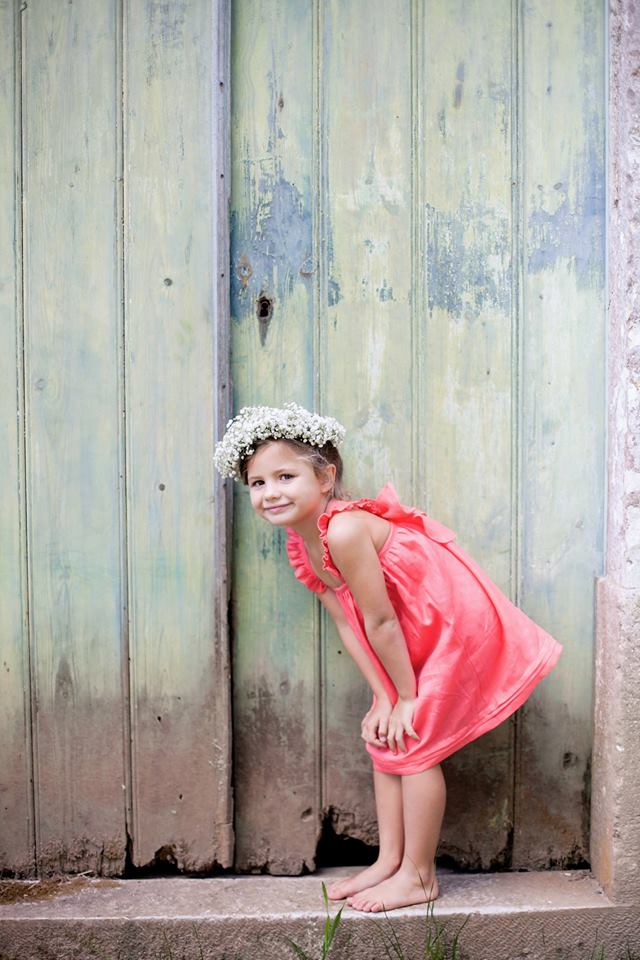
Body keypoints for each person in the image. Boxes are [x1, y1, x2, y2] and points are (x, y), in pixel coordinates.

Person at [214, 402, 563, 914]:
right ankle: (390, 861)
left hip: (449, 623)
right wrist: (382, 696)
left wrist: (406, 696)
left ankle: (420, 877)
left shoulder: (345, 530)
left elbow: (380, 620)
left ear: (326, 477)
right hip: (409, 634)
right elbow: (348, 621)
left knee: (416, 735)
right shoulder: (303, 543)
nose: (270, 493)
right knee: (386, 734)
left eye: (285, 476)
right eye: (257, 482)